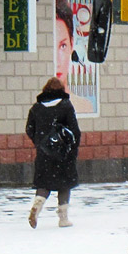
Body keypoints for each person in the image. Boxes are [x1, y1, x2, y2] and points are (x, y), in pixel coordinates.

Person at [25, 76, 81, 228]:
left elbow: (29, 129)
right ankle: (63, 218)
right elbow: (74, 130)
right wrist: (72, 148)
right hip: (63, 154)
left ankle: (38, 203)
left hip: (44, 153)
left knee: (44, 183)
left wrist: (41, 144)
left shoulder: (36, 108)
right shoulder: (65, 106)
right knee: (64, 184)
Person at [55, 0, 94, 114]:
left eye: (62, 46)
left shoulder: (84, 107)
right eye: (52, 47)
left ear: (72, 44)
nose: (57, 61)